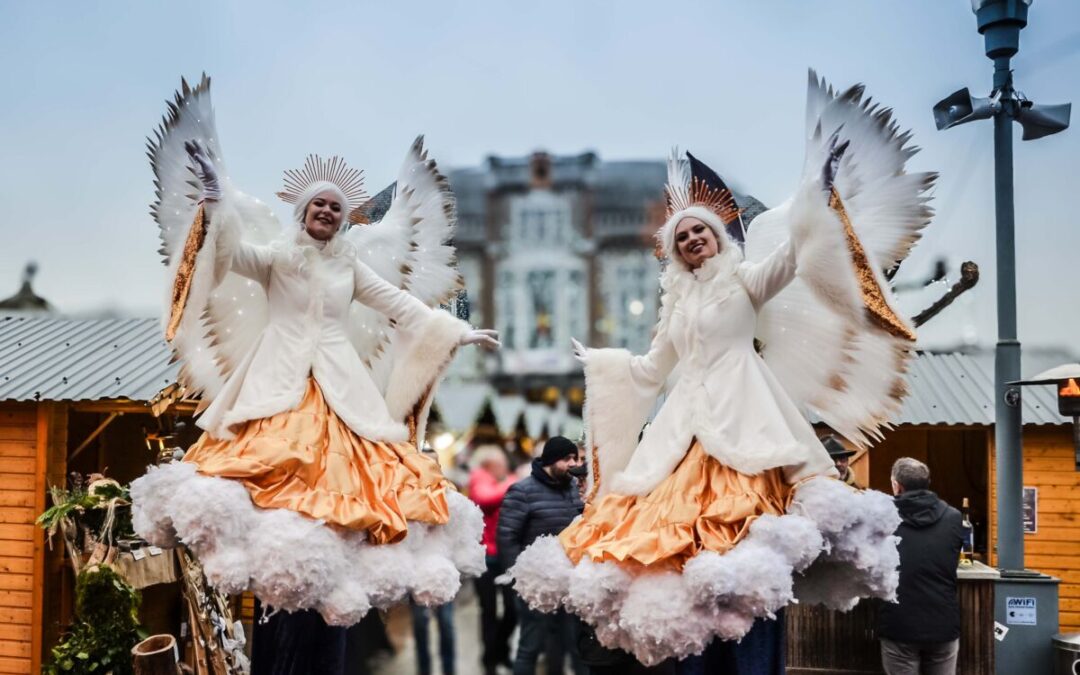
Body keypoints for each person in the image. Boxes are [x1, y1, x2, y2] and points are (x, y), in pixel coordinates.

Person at [509, 71, 938, 667]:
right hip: (684, 422)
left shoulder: (745, 280)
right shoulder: (677, 307)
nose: (692, 240)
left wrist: (816, 192)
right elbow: (652, 368)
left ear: (716, 237)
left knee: (746, 538)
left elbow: (792, 256)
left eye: (699, 232)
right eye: (682, 236)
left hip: (746, 412)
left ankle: (749, 646)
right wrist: (603, 363)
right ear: (675, 251)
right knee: (675, 538)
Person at [129, 76, 499, 667]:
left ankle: (322, 591)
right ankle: (275, 587)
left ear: (342, 218)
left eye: (334, 207)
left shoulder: (350, 265)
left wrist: (457, 331)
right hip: (275, 383)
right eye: (318, 205)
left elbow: (400, 305)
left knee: (352, 485)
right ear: (302, 211)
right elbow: (227, 257)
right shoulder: (278, 257)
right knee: (264, 480)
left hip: (340, 386)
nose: (326, 211)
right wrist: (217, 204)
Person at [497, 436, 586, 675]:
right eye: (567, 458)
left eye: (575, 458)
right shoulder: (522, 491)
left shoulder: (575, 488)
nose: (573, 463)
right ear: (550, 461)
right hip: (535, 586)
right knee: (531, 646)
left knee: (575, 646)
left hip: (571, 583)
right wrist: (520, 579)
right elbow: (507, 536)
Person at [878, 458, 965, 675]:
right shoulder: (954, 517)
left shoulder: (883, 520)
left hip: (899, 624)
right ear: (928, 483)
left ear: (897, 486)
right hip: (942, 623)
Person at [468, 445, 519, 675]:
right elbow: (485, 499)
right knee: (488, 610)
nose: (505, 468)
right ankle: (490, 660)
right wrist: (513, 481)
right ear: (490, 464)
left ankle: (499, 651)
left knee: (512, 609)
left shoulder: (498, 480)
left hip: (503, 555)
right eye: (502, 464)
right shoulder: (479, 477)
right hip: (486, 557)